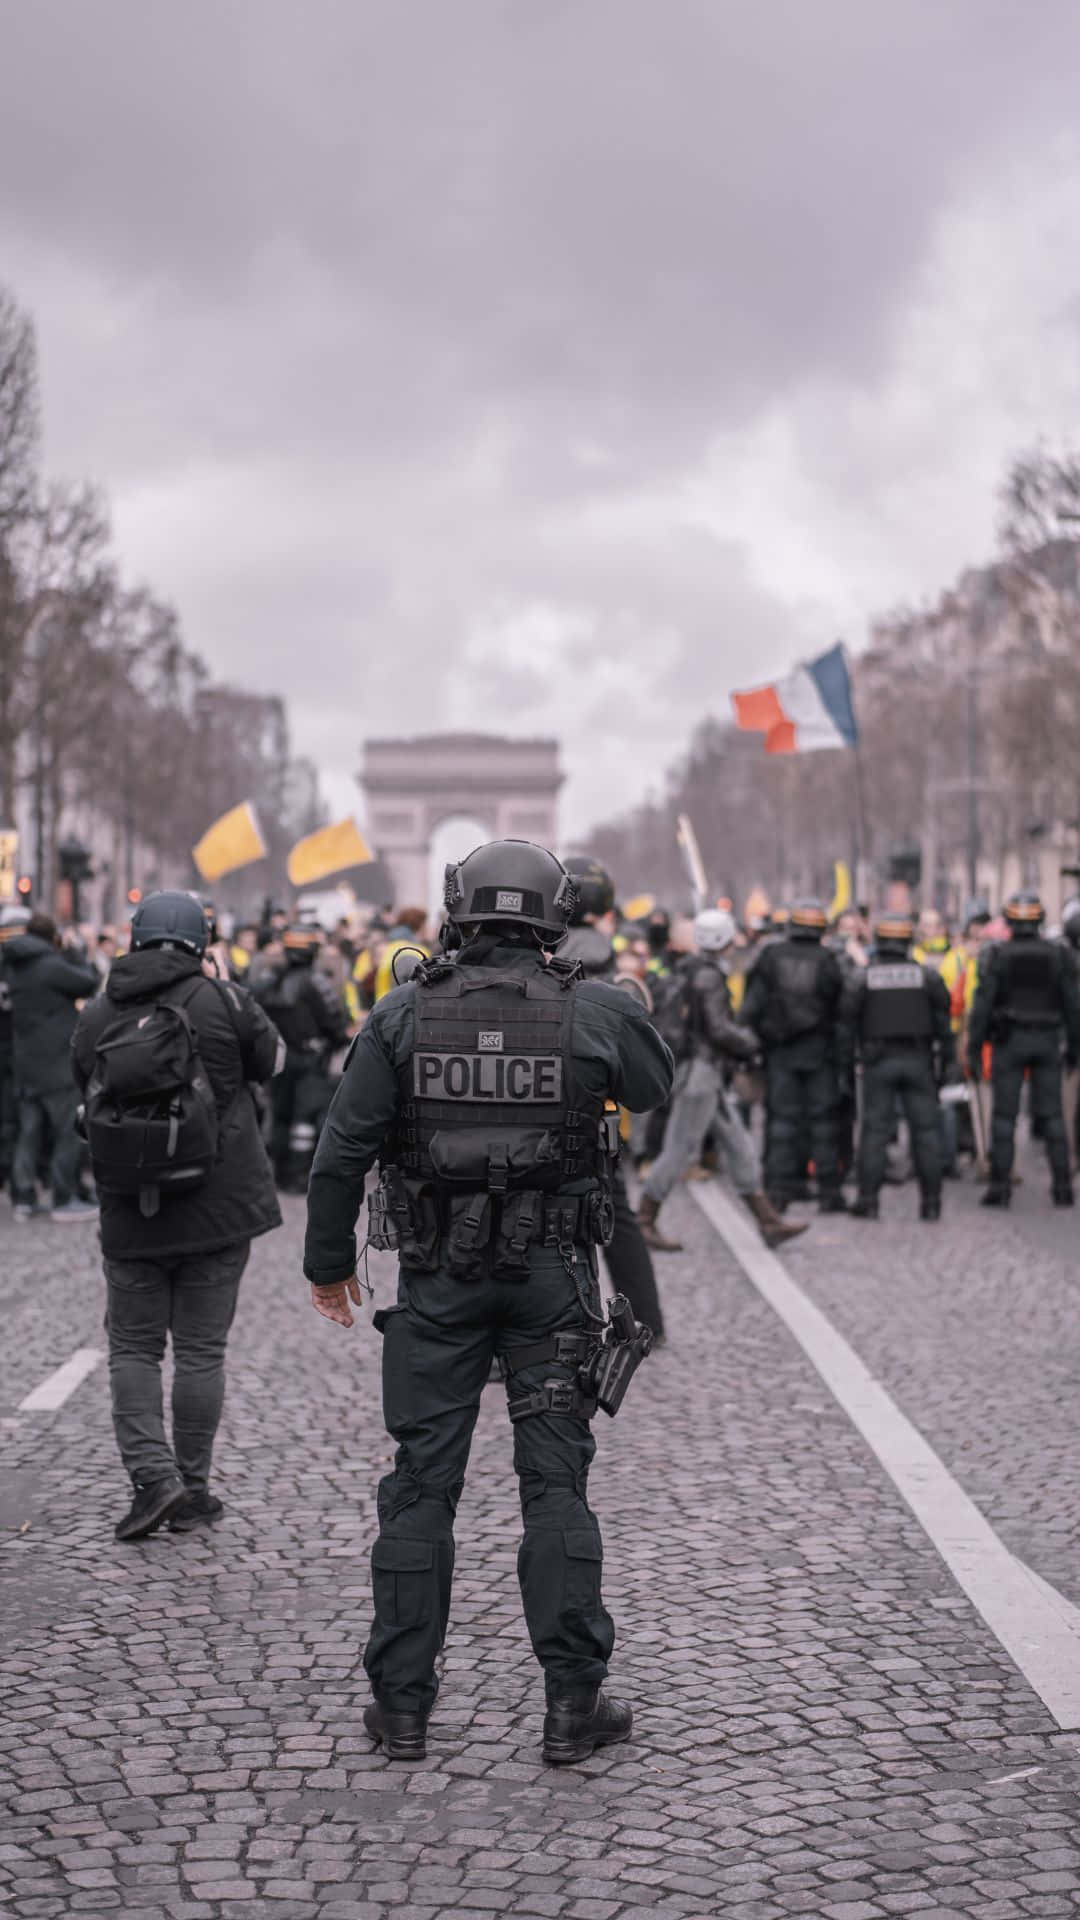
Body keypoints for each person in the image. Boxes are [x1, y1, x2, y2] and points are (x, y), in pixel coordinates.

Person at [304, 839, 673, 1766]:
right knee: (555, 1487)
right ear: (556, 913)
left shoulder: (399, 1014)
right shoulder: (595, 1009)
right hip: (552, 1282)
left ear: (455, 910)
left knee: (422, 1485)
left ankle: (401, 1708)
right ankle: (571, 1706)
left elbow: (341, 1151)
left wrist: (325, 1265)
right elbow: (654, 1086)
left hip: (437, 1283)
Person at [73, 890, 284, 1542]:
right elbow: (272, 1061)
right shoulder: (222, 999)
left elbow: (79, 1074)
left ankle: (152, 1478)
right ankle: (190, 1487)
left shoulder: (102, 1007)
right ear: (203, 941)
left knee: (134, 1347)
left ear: (134, 937)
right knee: (200, 1350)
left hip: (133, 1202)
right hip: (217, 1202)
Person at [639, 908, 807, 1251]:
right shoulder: (710, 977)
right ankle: (643, 1219)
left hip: (705, 1072)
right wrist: (749, 1043)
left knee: (739, 1147)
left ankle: (768, 1221)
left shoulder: (689, 969)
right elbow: (717, 1029)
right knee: (679, 1150)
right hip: (702, 1074)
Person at [561, 855, 667, 1340]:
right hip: (601, 1113)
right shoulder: (616, 962)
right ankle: (646, 1322)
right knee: (617, 1217)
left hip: (543, 1101)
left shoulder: (543, 949)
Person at [967, 890, 1080, 1208]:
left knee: (1004, 1117)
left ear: (1010, 921)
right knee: (1054, 1116)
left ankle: (1000, 1188)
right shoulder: (1059, 955)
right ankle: (1062, 1188)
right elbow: (1073, 1006)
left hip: (1010, 1041)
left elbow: (982, 1005)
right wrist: (1074, 1048)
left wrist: (975, 1048)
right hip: (1046, 1040)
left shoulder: (997, 956)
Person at [840, 912, 953, 1221]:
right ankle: (931, 1204)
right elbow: (945, 1026)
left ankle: (869, 1201)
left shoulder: (863, 978)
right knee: (926, 1133)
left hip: (878, 1062)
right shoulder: (927, 977)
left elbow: (845, 1027)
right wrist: (946, 1065)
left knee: (874, 1132)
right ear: (908, 941)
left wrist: (846, 1068)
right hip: (919, 1061)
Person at [740, 899, 847, 1212]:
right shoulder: (829, 960)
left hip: (781, 1052)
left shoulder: (770, 956)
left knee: (782, 1122)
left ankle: (778, 1190)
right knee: (824, 1123)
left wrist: (752, 1046)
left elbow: (752, 1005)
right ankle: (829, 1192)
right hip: (819, 1053)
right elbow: (841, 1011)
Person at [5, 911, 100, 1222]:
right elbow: (88, 982)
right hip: (56, 1062)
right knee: (66, 1132)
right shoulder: (50, 966)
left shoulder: (15, 966)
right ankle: (64, 1196)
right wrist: (73, 951)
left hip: (25, 1062)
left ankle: (23, 1196)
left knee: (29, 1131)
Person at [251, 927, 350, 1190]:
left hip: (278, 1058)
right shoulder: (317, 982)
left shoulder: (266, 981)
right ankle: (299, 1174)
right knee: (304, 1119)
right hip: (310, 1060)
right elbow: (335, 1020)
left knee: (281, 1114)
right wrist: (339, 1038)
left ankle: (281, 1172)